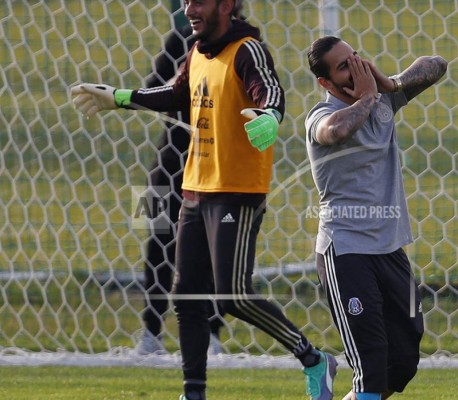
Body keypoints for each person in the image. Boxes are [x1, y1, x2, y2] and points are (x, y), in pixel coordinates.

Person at [70, 1, 337, 399]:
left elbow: (271, 90)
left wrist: (269, 116)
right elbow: (177, 93)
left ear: (227, 5)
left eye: (198, 1)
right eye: (185, 1)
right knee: (186, 294)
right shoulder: (195, 51)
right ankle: (193, 392)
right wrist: (121, 97)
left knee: (233, 295)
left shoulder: (248, 49)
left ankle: (314, 359)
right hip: (195, 188)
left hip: (237, 191)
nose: (188, 8)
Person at [304, 36, 447, 400]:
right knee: (371, 362)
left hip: (390, 250)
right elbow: (335, 132)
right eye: (343, 66)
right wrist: (368, 96)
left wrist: (393, 84)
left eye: (355, 57)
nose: (357, 68)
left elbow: (437, 64)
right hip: (346, 251)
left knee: (403, 360)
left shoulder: (385, 98)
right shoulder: (320, 117)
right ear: (325, 83)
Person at [135, 1, 247, 357]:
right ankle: (151, 333)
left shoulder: (247, 48)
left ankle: (213, 334)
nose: (191, 8)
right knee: (158, 240)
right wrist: (177, 87)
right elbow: (152, 91)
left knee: (218, 251)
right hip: (169, 159)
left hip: (220, 166)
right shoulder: (180, 39)